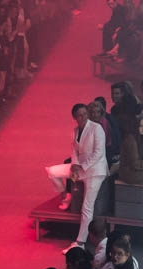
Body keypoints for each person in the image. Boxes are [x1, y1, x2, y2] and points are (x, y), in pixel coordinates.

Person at [46, 103, 108, 247]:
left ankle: (80, 242)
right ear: (74, 117)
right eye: (80, 115)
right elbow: (74, 151)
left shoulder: (96, 128)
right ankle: (65, 195)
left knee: (87, 207)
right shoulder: (75, 131)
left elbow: (99, 153)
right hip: (80, 169)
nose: (83, 117)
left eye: (85, 114)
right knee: (52, 171)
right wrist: (74, 165)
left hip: (95, 171)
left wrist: (81, 166)